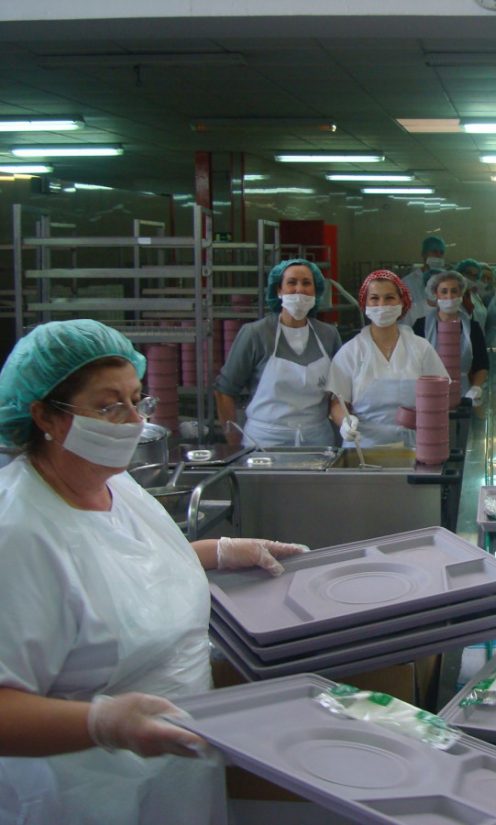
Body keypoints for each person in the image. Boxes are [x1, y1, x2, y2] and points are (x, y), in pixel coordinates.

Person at [0, 319, 307, 824]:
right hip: (84, 790)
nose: (130, 421)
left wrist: (222, 551)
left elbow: (125, 565)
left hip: (174, 769)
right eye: (106, 405)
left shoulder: (114, 484)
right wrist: (102, 723)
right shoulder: (20, 532)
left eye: (136, 400)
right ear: (45, 417)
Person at [214, 258, 341, 448]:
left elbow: (339, 391)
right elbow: (224, 391)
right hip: (264, 442)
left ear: (316, 291)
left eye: (307, 283)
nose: (299, 289)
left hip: (317, 441)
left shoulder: (328, 335)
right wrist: (233, 440)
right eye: (291, 283)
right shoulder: (255, 334)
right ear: (279, 291)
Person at [329, 270, 448, 447]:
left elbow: (440, 396)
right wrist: (345, 423)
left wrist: (426, 420)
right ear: (365, 303)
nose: (382, 305)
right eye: (374, 298)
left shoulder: (420, 348)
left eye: (389, 298)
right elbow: (338, 402)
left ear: (402, 302)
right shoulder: (351, 352)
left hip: (412, 447)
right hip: (364, 447)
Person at [412, 270, 489, 403]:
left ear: (461, 293)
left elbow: (482, 364)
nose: (449, 296)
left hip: (464, 392)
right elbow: (412, 362)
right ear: (436, 294)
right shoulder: (421, 326)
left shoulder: (472, 328)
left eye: (454, 291)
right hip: (429, 393)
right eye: (444, 291)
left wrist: (476, 387)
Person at [401, 235, 448, 327]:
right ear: (424, 254)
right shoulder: (407, 282)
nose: (438, 256)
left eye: (441, 253)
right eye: (434, 252)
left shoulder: (447, 280)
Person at [454, 258, 488, 329]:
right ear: (459, 273)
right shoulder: (452, 296)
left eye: (475, 276)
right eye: (469, 273)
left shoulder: (474, 295)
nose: (471, 278)